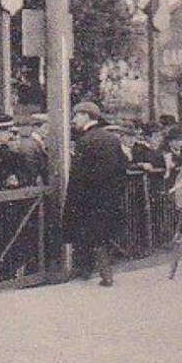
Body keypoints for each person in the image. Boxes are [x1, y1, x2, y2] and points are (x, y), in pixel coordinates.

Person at [63, 101, 126, 286]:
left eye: (77, 116)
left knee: (90, 235)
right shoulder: (112, 139)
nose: (74, 120)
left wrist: (74, 200)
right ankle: (101, 273)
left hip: (89, 198)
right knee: (102, 235)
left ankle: (96, 273)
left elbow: (79, 176)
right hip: (109, 198)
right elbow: (122, 169)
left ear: (86, 116)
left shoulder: (85, 141)